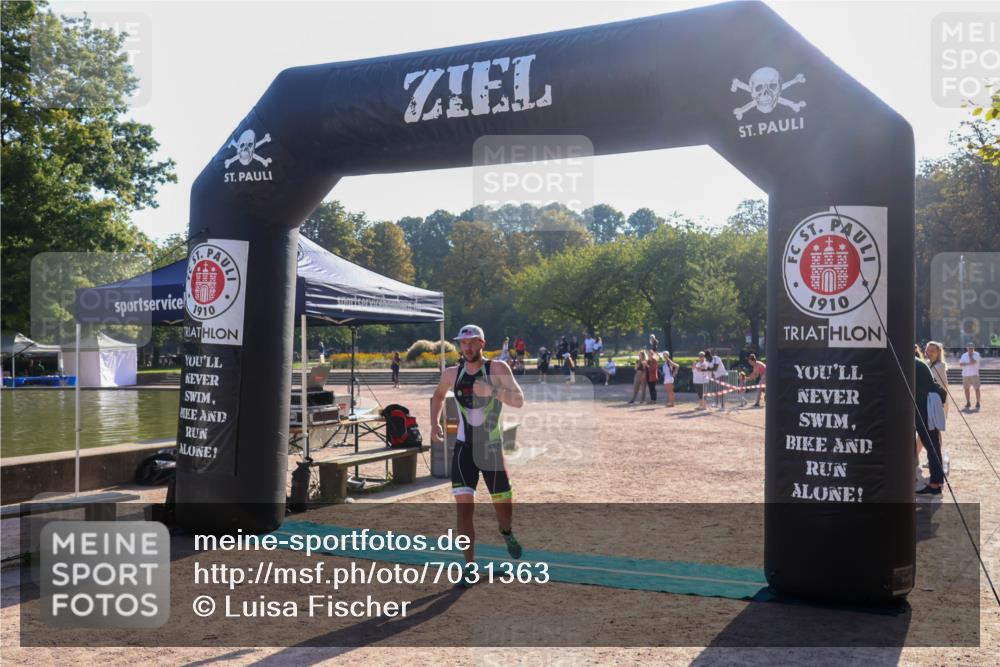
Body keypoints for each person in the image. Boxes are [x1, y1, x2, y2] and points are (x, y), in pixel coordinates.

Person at [430, 324, 525, 585]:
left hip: (491, 448)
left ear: (482, 343)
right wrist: (434, 423)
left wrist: (492, 390)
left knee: (503, 507)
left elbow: (519, 400)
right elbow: (437, 397)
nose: (468, 347)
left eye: (472, 342)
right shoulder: (452, 373)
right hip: (463, 449)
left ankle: (506, 533)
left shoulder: (496, 369)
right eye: (463, 343)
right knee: (463, 509)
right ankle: (469, 566)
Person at [915, 354, 948, 496]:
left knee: (932, 446)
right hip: (927, 406)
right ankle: (936, 482)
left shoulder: (913, 364)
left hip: (925, 408)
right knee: (932, 445)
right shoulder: (918, 363)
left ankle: (935, 484)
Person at [959, 342, 981, 410]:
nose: (970, 349)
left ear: (973, 348)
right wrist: (968, 363)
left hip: (974, 374)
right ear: (967, 348)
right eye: (969, 348)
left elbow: (973, 362)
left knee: (977, 389)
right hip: (965, 374)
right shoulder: (964, 355)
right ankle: (968, 402)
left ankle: (978, 402)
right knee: (966, 389)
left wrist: (970, 356)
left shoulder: (977, 354)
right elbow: (960, 364)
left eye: (971, 348)